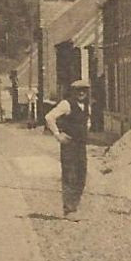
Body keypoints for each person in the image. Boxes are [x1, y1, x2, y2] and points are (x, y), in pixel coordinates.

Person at [44, 79, 93, 218]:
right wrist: (57, 135)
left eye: (84, 90)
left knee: (81, 175)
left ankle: (75, 206)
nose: (82, 93)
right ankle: (69, 209)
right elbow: (49, 117)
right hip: (69, 144)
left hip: (81, 145)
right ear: (73, 91)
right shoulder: (66, 104)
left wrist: (85, 130)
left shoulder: (87, 106)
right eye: (79, 90)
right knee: (69, 175)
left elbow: (88, 121)